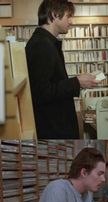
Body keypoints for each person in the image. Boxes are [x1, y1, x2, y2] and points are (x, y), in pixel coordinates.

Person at [25, 0, 98, 139]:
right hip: (52, 127)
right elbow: (40, 92)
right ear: (54, 14)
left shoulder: (46, 42)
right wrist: (77, 82)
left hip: (55, 123)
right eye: (68, 16)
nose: (72, 21)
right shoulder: (42, 45)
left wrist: (76, 81)